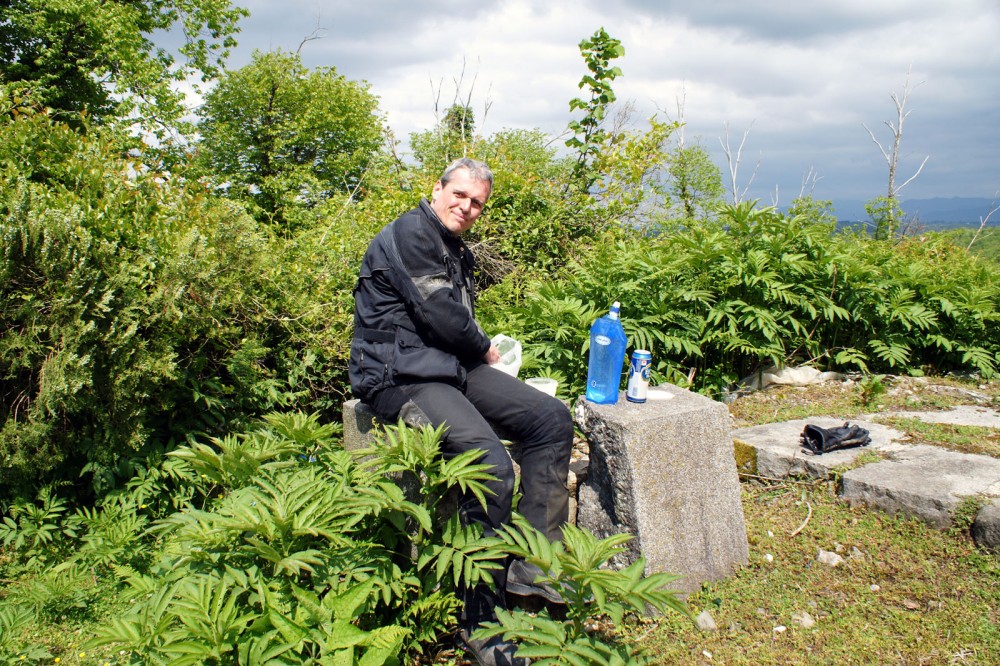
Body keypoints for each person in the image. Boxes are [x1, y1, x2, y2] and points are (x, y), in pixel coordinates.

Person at [349, 157, 574, 666]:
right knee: (490, 466)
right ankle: (483, 623)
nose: (467, 207)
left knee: (552, 419)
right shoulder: (411, 232)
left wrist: (477, 355)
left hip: (447, 366)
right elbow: (442, 314)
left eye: (477, 203)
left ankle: (534, 571)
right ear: (438, 189)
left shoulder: (451, 244)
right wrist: (487, 350)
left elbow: (449, 326)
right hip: (397, 374)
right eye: (460, 196)